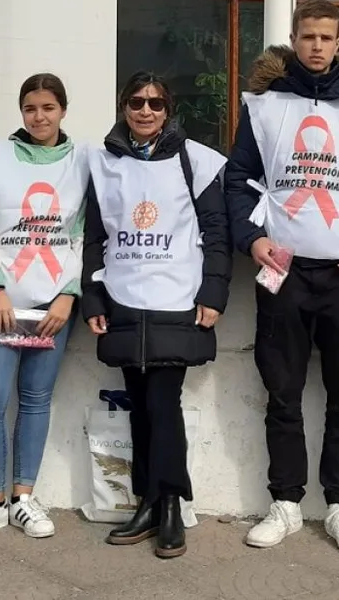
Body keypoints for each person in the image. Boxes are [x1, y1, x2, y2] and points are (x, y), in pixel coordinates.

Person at [224, 0, 339, 553]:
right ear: (294, 40)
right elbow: (239, 180)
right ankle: (286, 503)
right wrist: (252, 239)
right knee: (283, 392)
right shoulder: (265, 106)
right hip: (283, 273)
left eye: (327, 38)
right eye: (308, 37)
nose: (317, 47)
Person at [81, 73, 230, 560]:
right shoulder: (102, 163)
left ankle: (168, 505)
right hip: (124, 298)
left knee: (164, 405)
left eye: (156, 103)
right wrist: (94, 299)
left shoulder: (197, 161)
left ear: (169, 109)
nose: (146, 111)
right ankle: (146, 502)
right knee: (140, 404)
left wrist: (213, 293)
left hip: (176, 299)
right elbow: (94, 238)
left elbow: (216, 231)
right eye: (136, 102)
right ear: (123, 106)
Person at [0, 73, 89, 541]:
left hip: (53, 307)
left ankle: (25, 497)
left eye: (48, 107)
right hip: (0, 303)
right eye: (30, 108)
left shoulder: (82, 162)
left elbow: (81, 234)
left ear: (62, 110)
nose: (39, 116)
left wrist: (68, 294)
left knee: (35, 399)